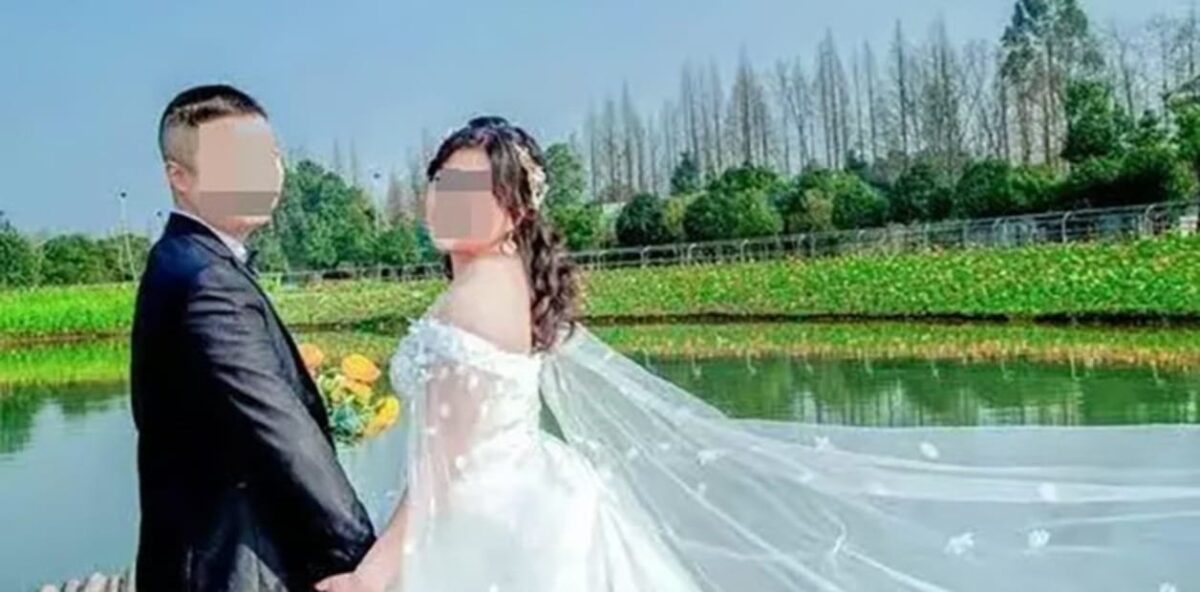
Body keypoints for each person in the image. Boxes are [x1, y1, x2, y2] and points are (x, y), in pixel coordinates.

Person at [320, 116, 1200, 592]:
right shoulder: (507, 281)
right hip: (533, 503)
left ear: (514, 208)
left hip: (492, 532)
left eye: (470, 187)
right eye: (441, 182)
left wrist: (374, 572)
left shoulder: (475, 294)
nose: (447, 199)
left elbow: (449, 470)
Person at [130, 84, 375, 591]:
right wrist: (366, 559)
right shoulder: (208, 282)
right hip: (233, 569)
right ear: (179, 177)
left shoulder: (183, 260)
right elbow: (282, 435)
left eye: (269, 157)